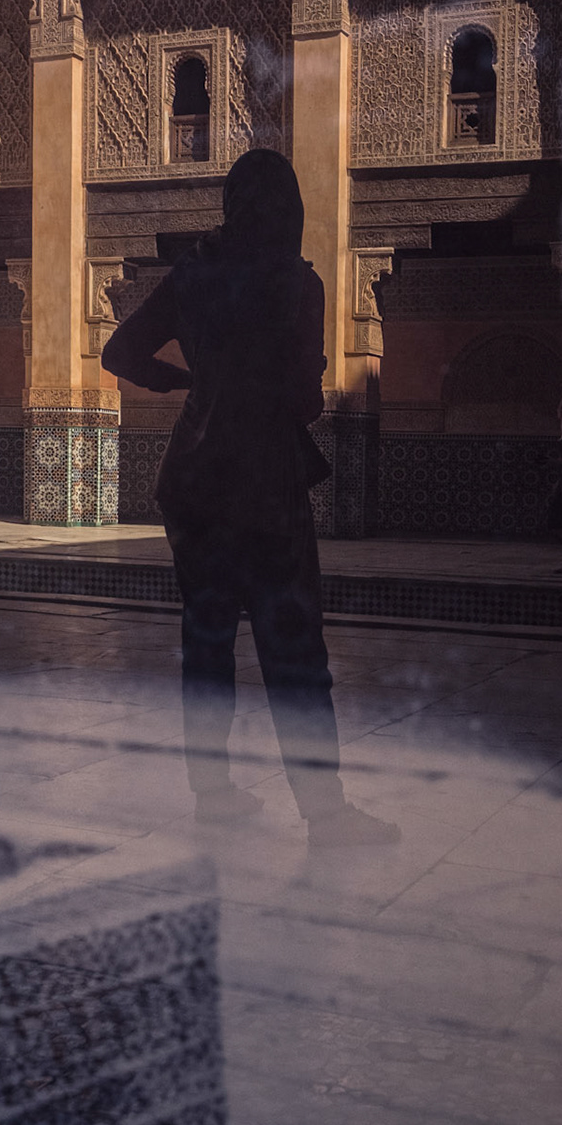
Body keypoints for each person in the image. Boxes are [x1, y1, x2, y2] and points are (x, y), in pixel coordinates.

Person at [103, 148, 399, 847]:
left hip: (195, 476)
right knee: (292, 651)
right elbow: (303, 401)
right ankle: (325, 815)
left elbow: (119, 353)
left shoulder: (192, 276)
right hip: (264, 480)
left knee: (206, 646)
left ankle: (213, 800)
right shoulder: (297, 285)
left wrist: (187, 385)